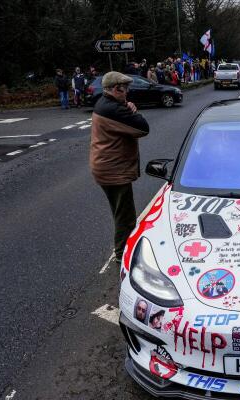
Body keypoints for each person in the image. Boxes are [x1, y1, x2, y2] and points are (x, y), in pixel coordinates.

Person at [89, 71, 150, 264]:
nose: (127, 93)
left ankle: (122, 249)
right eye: (125, 89)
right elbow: (142, 128)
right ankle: (122, 254)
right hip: (114, 170)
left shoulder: (104, 103)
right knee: (125, 215)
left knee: (119, 210)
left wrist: (126, 105)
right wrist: (133, 110)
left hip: (105, 166)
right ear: (116, 89)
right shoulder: (115, 110)